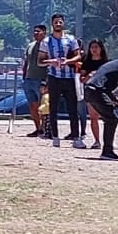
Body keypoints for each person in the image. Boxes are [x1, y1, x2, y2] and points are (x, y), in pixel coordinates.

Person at [42, 14, 83, 147]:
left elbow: (78, 56)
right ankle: (55, 136)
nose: (58, 24)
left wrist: (68, 61)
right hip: (54, 77)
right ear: (52, 24)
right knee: (52, 107)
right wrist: (51, 61)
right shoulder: (46, 41)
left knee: (72, 108)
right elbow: (40, 61)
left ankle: (76, 137)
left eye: (60, 22)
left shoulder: (71, 39)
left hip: (69, 77)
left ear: (63, 23)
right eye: (55, 22)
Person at [76, 39, 108, 150]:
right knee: (93, 117)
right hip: (90, 92)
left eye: (96, 47)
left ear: (101, 48)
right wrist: (90, 75)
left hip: (104, 92)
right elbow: (82, 79)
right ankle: (97, 141)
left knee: (107, 118)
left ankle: (108, 141)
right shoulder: (86, 62)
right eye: (92, 47)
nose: (94, 50)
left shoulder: (106, 63)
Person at [21, 24, 47, 138]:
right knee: (32, 106)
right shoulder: (30, 45)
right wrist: (24, 75)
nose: (36, 33)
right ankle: (37, 128)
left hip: (40, 79)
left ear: (44, 33)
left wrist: (46, 81)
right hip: (28, 79)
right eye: (34, 31)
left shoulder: (47, 46)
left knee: (43, 107)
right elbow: (26, 61)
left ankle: (44, 128)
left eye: (38, 31)